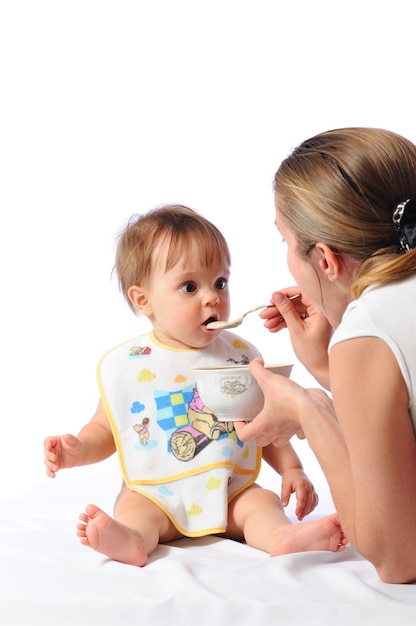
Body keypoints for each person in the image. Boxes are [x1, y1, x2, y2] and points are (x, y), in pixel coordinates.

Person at [43, 204, 347, 567]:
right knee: (134, 508)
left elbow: (265, 424)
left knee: (259, 504)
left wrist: (292, 469)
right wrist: (75, 452)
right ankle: (132, 539)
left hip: (229, 492)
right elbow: (105, 430)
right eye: (190, 286)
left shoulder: (239, 356)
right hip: (157, 496)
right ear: (143, 300)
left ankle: (281, 536)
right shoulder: (130, 363)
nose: (212, 297)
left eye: (220, 282)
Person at [233, 128, 416, 584]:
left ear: (325, 261)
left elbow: (398, 558)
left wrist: (308, 407)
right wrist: (328, 369)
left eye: (285, 242)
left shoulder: (368, 329)